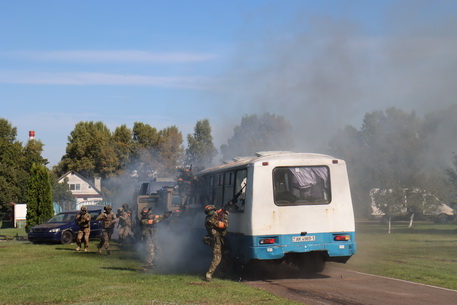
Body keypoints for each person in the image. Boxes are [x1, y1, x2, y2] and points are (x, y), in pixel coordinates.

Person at [140, 207, 171, 271]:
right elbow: (154, 221)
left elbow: (158, 216)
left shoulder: (151, 217)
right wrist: (160, 218)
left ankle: (153, 264)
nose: (151, 216)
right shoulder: (143, 220)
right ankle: (145, 266)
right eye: (149, 215)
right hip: (149, 239)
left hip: (153, 238)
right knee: (151, 252)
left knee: (157, 251)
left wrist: (164, 215)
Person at [203, 205, 229, 282]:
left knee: (226, 256)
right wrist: (226, 216)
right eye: (214, 211)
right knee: (217, 258)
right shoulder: (210, 220)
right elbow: (224, 225)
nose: (215, 212)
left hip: (220, 240)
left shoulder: (210, 218)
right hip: (216, 241)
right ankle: (208, 275)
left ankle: (222, 273)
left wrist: (221, 212)